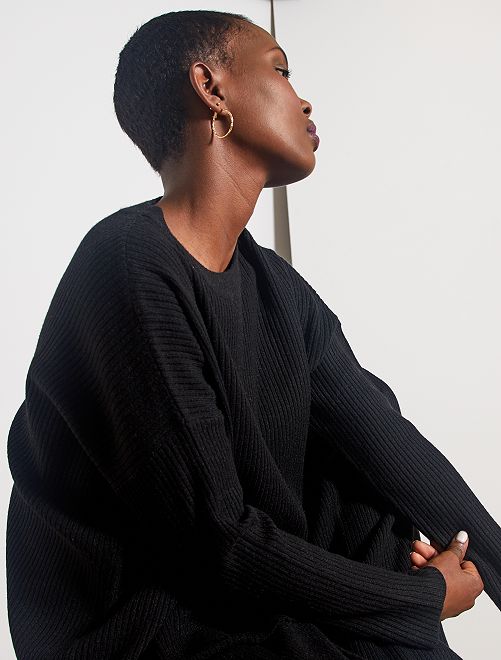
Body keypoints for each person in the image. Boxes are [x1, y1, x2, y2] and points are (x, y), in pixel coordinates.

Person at [5, 9, 500, 660]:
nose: (304, 99)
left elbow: (386, 443)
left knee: (363, 489)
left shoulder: (274, 288)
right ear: (210, 88)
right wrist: (417, 599)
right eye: (281, 70)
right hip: (141, 621)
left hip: (236, 595)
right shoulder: (128, 265)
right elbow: (216, 539)